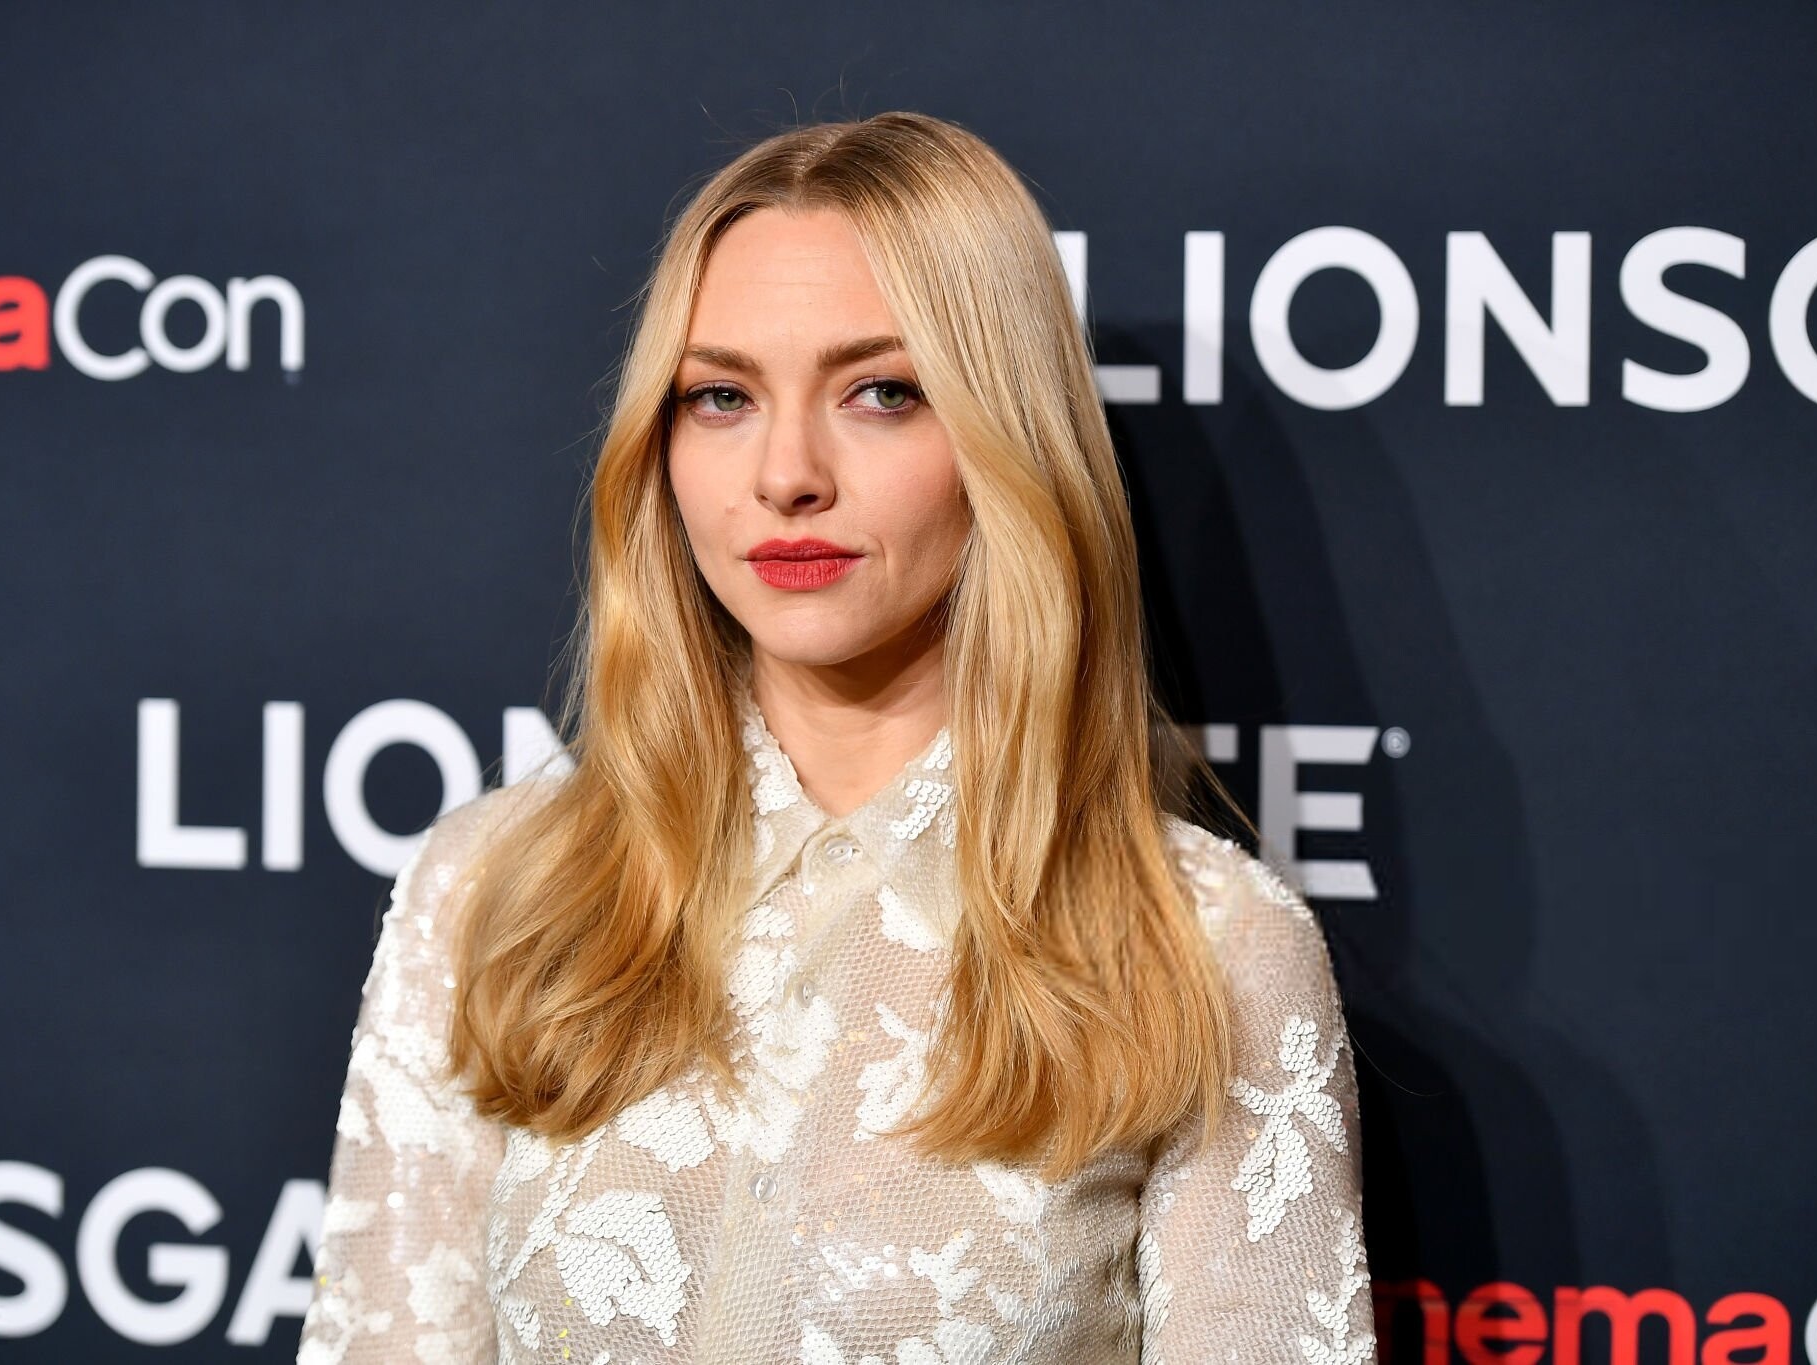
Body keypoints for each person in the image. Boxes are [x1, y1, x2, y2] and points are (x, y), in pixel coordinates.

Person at [296, 110, 1373, 1365]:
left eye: (880, 393)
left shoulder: (1206, 947)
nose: (786, 474)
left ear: (1004, 436)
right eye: (720, 397)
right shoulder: (490, 890)